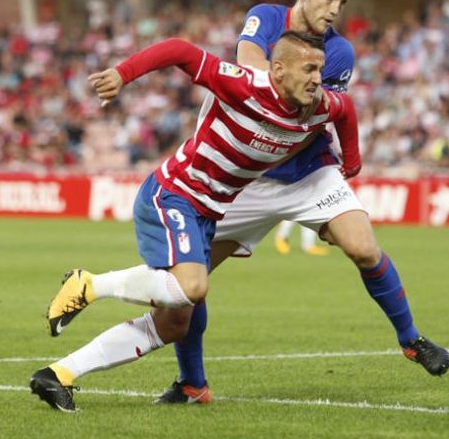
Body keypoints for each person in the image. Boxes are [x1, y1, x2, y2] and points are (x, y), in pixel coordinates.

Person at [150, 0, 449, 404]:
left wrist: (347, 155)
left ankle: (411, 339)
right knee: (185, 285)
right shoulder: (265, 18)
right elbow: (250, 65)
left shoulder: (340, 52)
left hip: (309, 172)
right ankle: (192, 383)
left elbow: (317, 106)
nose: (335, 8)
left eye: (343, 2)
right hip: (247, 179)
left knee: (364, 247)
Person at [29, 31, 360, 411]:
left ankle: (59, 375)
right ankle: (88, 284)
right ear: (279, 70)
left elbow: (346, 109)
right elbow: (180, 50)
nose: (318, 78)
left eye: (320, 69)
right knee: (192, 287)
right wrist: (123, 74)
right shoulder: (244, 85)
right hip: (174, 194)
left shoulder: (318, 105)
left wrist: (351, 162)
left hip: (207, 213)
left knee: (173, 324)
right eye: (309, 69)